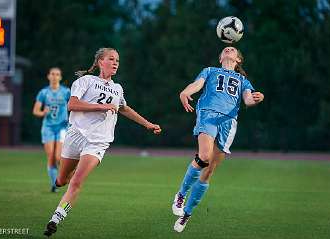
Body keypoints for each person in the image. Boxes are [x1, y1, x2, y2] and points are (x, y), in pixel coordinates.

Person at [43, 48, 162, 237]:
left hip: (98, 142)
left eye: (118, 61)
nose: (115, 63)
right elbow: (72, 105)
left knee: (76, 181)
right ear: (100, 62)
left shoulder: (117, 88)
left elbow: (124, 108)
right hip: (76, 135)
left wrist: (147, 124)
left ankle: (55, 219)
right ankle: (63, 175)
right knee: (61, 180)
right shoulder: (85, 81)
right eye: (111, 59)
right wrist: (102, 106)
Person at [172, 47, 264, 232]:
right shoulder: (210, 71)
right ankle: (181, 194)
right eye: (225, 49)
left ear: (238, 59)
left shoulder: (243, 81)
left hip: (228, 123)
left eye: (232, 49)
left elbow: (248, 100)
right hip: (208, 115)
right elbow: (196, 84)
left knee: (208, 172)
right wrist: (185, 92)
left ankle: (187, 213)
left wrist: (257, 98)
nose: (228, 49)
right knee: (204, 157)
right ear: (221, 57)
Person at [33, 67, 70, 193]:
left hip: (62, 127)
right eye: (52, 74)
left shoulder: (66, 92)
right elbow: (36, 111)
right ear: (48, 76)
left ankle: (67, 177)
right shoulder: (43, 93)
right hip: (48, 127)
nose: (55, 76)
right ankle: (54, 184)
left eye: (57, 74)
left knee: (58, 156)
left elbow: (74, 106)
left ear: (60, 77)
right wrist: (43, 112)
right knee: (51, 157)